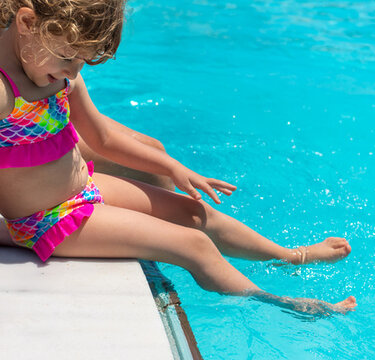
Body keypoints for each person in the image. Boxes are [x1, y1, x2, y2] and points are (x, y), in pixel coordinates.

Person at [0, 0, 356, 315]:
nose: (74, 72)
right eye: (68, 58)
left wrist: (174, 167)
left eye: (82, 61)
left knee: (199, 214)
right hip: (47, 221)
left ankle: (290, 256)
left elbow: (103, 138)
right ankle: (279, 304)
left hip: (84, 189)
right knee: (194, 246)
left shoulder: (56, 69)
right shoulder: (4, 91)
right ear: (28, 23)